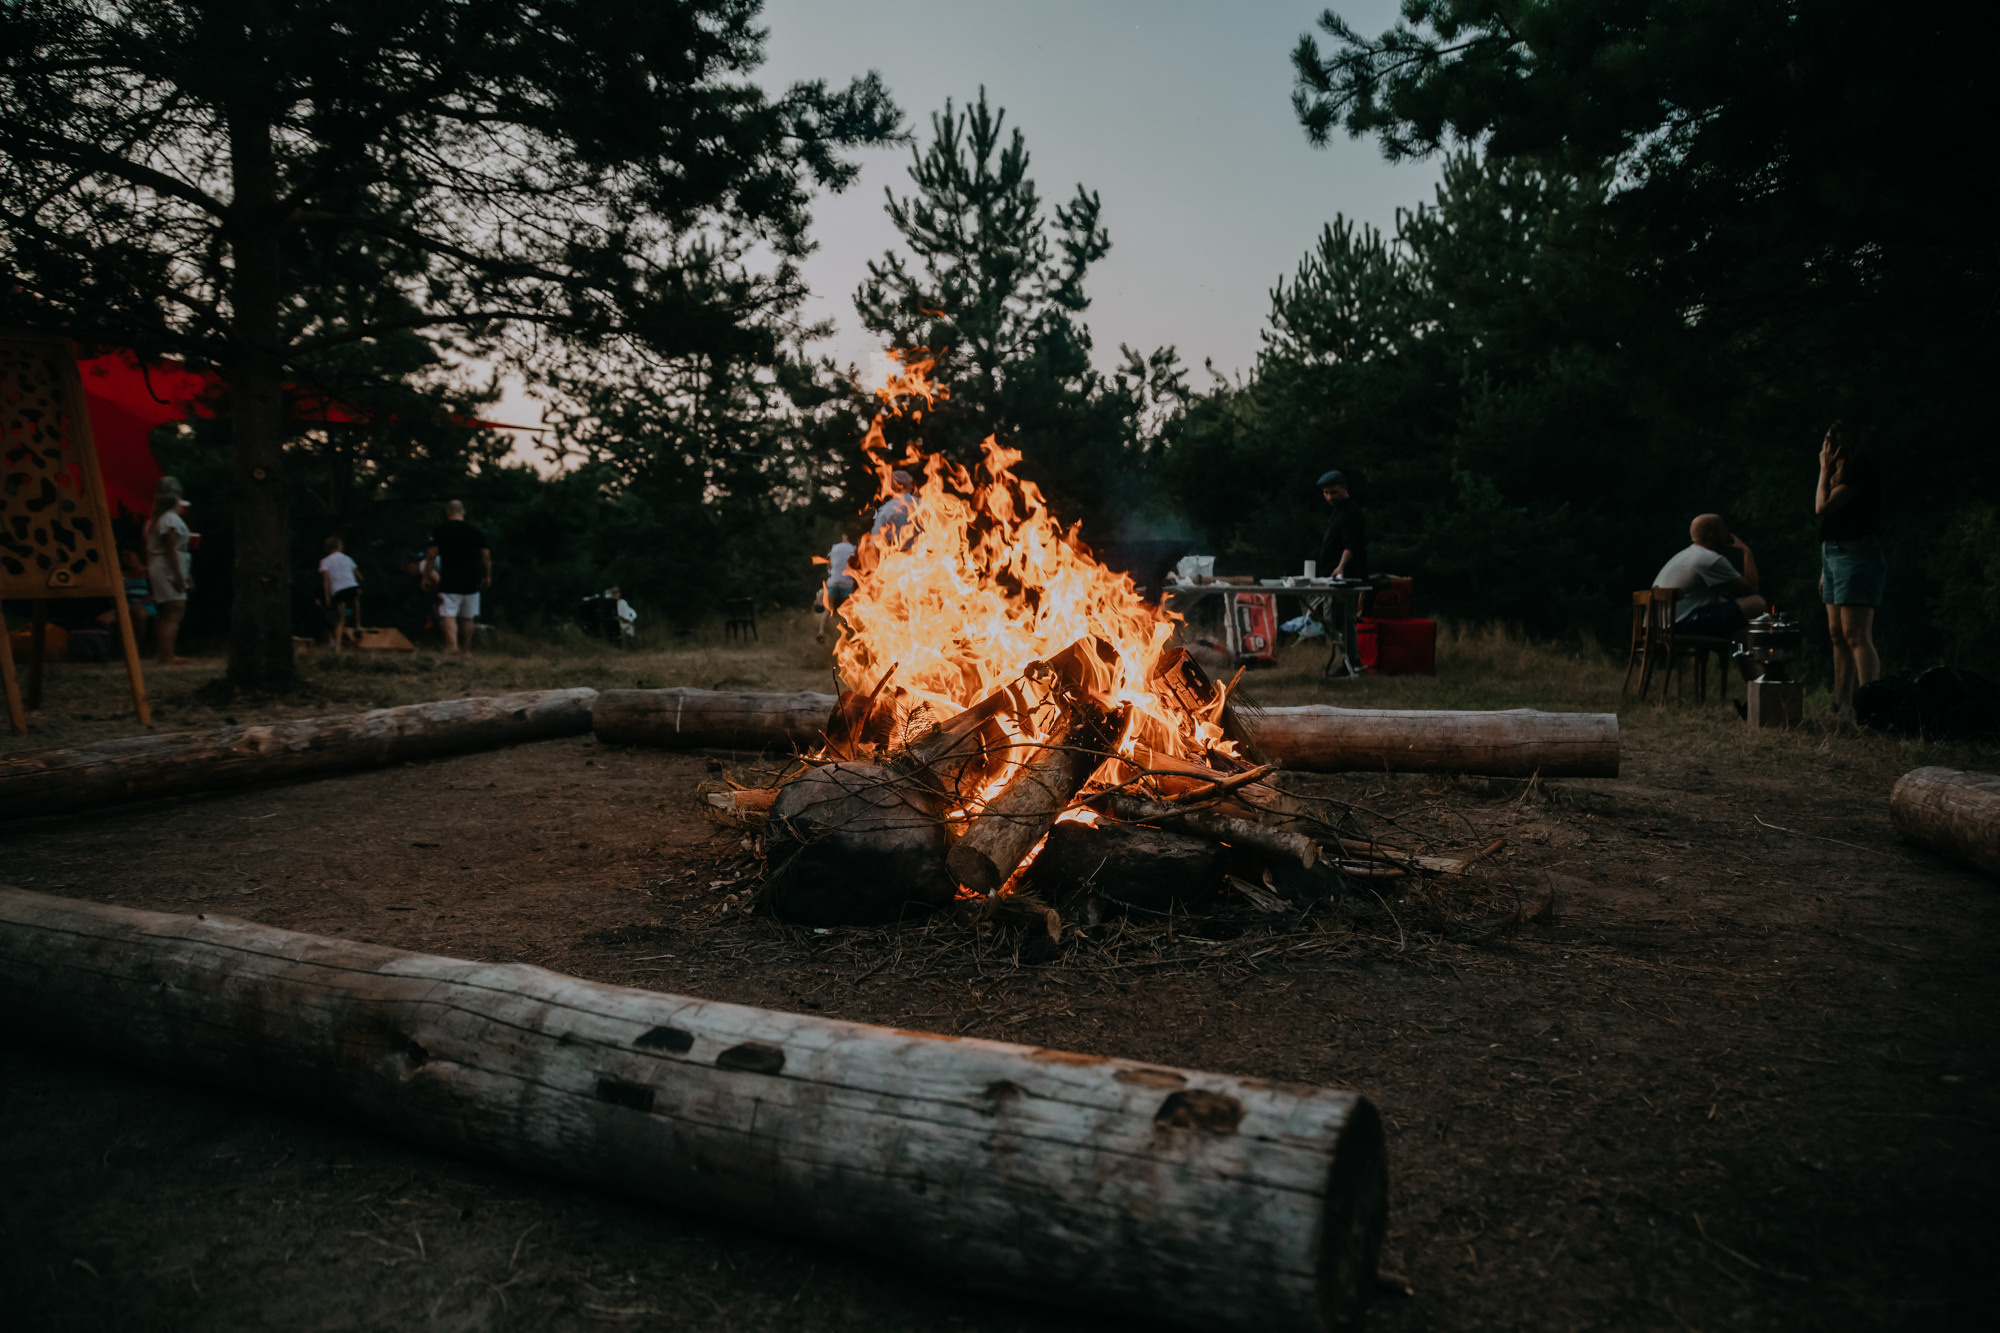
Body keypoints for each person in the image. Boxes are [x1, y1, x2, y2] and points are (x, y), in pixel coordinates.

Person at [1816, 420, 1884, 711]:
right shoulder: (1837, 472)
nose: (1839, 450)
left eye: (1845, 444)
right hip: (1832, 554)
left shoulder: (1860, 469)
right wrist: (1824, 569)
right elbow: (1833, 524)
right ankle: (1840, 704)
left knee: (1856, 634)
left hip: (1857, 555)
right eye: (1835, 443)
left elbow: (1823, 507)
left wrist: (1822, 469)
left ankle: (1870, 706)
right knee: (1836, 634)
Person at [1653, 514, 1767, 635]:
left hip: (1656, 627)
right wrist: (1746, 551)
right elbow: (1751, 589)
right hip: (1680, 626)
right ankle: (1744, 649)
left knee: (1723, 603)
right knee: (1757, 603)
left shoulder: (1682, 556)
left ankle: (1736, 649)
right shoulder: (1711, 559)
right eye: (1723, 528)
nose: (1728, 532)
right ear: (1711, 535)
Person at [422, 500, 491, 653]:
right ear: (463, 511)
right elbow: (486, 556)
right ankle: (465, 651)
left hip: (450, 579)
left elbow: (431, 556)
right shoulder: (475, 531)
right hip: (472, 580)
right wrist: (487, 576)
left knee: (449, 614)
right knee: (468, 617)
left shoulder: (440, 530)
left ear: (448, 512)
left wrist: (426, 576)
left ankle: (452, 647)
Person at [144, 476, 191, 664]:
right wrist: (179, 575)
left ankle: (163, 654)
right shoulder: (170, 519)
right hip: (167, 568)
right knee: (174, 611)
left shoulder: (158, 519)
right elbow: (171, 549)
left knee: (164, 613)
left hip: (162, 567)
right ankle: (167, 654)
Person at [1316, 470, 1368, 581]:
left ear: (1344, 488)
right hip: (1332, 576)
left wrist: (1341, 567)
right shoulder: (1339, 510)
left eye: (1334, 492)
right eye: (1326, 493)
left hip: (1345, 579)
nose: (1330, 497)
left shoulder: (1350, 511)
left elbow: (1351, 545)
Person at [816, 523, 860, 644]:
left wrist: (832, 572)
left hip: (833, 581)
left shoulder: (835, 547)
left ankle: (821, 631)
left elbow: (829, 564)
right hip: (846, 584)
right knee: (849, 611)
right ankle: (852, 635)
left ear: (844, 537)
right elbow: (856, 568)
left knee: (827, 608)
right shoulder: (854, 550)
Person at [318, 536, 362, 649]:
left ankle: (337, 646)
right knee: (355, 600)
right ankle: (358, 625)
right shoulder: (348, 559)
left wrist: (327, 597)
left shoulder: (324, 561)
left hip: (337, 591)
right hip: (351, 586)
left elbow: (325, 581)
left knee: (340, 619)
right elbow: (359, 576)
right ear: (339, 546)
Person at [871, 469, 917, 548]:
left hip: (899, 555)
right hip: (922, 554)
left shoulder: (886, 510)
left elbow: (875, 538)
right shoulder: (921, 505)